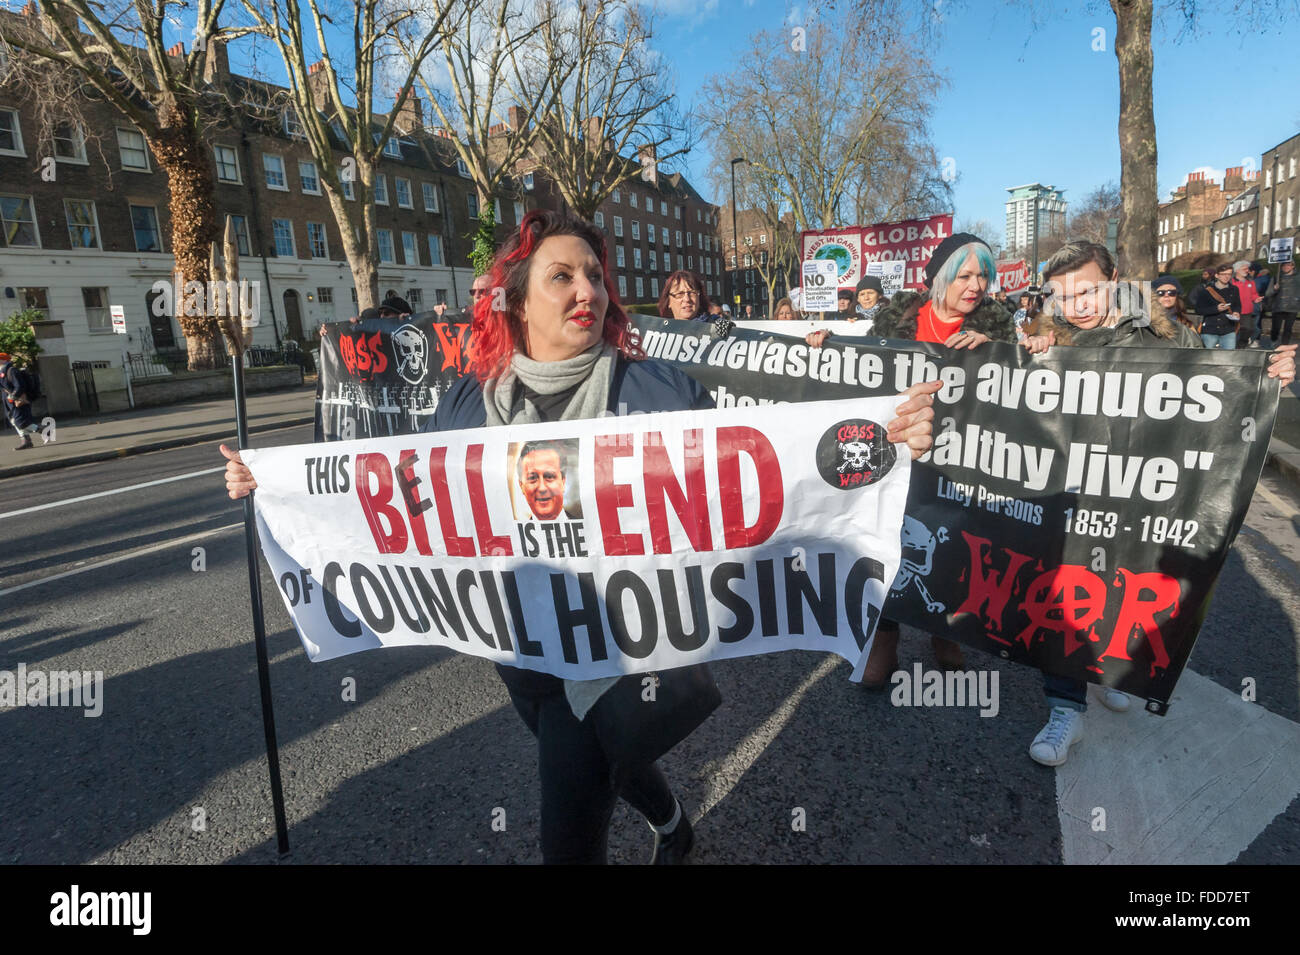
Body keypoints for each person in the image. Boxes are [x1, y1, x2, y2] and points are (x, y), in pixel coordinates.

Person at [221, 209, 943, 863]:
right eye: (562, 275)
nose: (587, 291)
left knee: (567, 829)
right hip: (518, 643)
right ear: (515, 300)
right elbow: (405, 496)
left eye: (595, 276)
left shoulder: (659, 392)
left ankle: (657, 823)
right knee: (601, 753)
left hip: (620, 651)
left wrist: (885, 437)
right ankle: (673, 822)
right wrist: (277, 487)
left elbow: (757, 475)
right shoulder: (467, 401)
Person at [1020, 242, 1295, 766]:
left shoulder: (1166, 332)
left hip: (1145, 487)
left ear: (1115, 278)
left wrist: (1268, 374)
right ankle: (1065, 709)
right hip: (1076, 488)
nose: (1076, 305)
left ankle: (1109, 670)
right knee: (1067, 590)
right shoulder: (1046, 341)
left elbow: (1222, 381)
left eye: (1088, 290)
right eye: (1063, 296)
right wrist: (1023, 358)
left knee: (1125, 584)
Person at [846, 232, 1014, 685]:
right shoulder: (898, 316)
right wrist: (822, 344)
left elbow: (1023, 393)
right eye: (965, 275)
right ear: (939, 276)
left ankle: (945, 631)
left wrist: (1001, 352)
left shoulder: (995, 324)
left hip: (960, 459)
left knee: (951, 539)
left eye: (983, 275)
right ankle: (884, 639)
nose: (976, 285)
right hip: (898, 448)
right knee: (886, 542)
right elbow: (861, 366)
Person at [1190, 263, 1242, 349]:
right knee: (1207, 357)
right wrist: (1216, 309)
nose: (1227, 277)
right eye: (1223, 274)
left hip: (1228, 329)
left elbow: (1237, 305)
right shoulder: (1206, 291)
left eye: (1229, 274)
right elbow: (1198, 310)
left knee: (1228, 357)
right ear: (1217, 275)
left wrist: (1236, 312)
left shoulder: (1234, 289)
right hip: (1210, 329)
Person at [516, 440, 570, 521]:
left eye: (549, 476)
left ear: (563, 481)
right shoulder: (514, 532)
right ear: (521, 486)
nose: (542, 488)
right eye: (532, 478)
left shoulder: (589, 527)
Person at [0, 352, 45, 450]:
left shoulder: (11, 370)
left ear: (4, 360)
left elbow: (20, 386)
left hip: (17, 400)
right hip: (8, 402)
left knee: (20, 421)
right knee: (14, 421)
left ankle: (39, 431)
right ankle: (27, 440)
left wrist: (12, 396)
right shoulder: (2, 372)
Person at [1264, 258, 1299, 346]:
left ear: (1293, 266)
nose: (1286, 267)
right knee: (1276, 328)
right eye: (1284, 265)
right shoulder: (1276, 277)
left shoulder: (1298, 277)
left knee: (1288, 329)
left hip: (1292, 306)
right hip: (1278, 306)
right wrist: (1274, 289)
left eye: (1289, 265)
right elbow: (1268, 293)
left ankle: (1284, 345)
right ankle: (1273, 341)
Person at [1232, 260, 1260, 348]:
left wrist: (1256, 298)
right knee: (1232, 330)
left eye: (1247, 269)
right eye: (1244, 269)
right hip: (1234, 310)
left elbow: (1254, 294)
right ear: (1237, 270)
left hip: (1247, 310)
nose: (1247, 270)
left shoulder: (1250, 281)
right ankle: (1230, 346)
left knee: (1249, 329)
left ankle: (1241, 346)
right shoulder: (1231, 282)